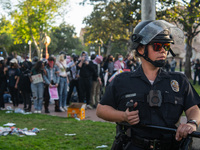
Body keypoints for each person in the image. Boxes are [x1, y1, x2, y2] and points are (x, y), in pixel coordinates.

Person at [96, 20, 200, 150]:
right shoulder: (122, 80)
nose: (163, 51)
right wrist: (123, 116)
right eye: (157, 46)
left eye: (166, 46)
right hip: (133, 145)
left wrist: (192, 123)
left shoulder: (179, 80)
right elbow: (101, 109)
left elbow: (193, 108)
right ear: (140, 48)